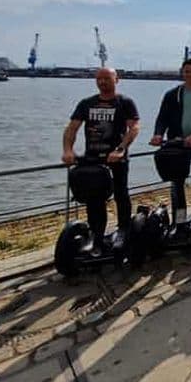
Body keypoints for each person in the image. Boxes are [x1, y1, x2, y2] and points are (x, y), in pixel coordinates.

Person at [62, 68, 140, 256]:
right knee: (94, 198)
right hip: (92, 158)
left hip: (116, 158)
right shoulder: (87, 103)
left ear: (116, 80)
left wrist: (120, 149)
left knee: (121, 193)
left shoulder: (125, 102)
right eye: (99, 79)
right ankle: (97, 236)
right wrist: (68, 150)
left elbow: (134, 127)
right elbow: (72, 128)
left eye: (107, 78)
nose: (102, 82)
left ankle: (123, 230)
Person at [150, 58, 191, 228]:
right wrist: (158, 134)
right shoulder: (172, 95)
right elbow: (162, 117)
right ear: (182, 73)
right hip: (176, 146)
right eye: (186, 71)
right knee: (176, 183)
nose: (189, 75)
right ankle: (179, 220)